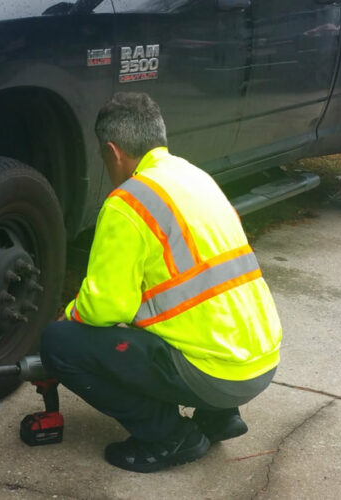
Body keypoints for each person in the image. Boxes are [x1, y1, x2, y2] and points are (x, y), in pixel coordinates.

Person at [40, 92, 282, 473]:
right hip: (260, 362)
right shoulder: (194, 177)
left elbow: (106, 307)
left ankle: (168, 436)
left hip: (218, 374)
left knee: (59, 342)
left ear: (113, 151)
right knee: (178, 313)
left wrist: (66, 316)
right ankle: (218, 417)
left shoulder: (130, 201)